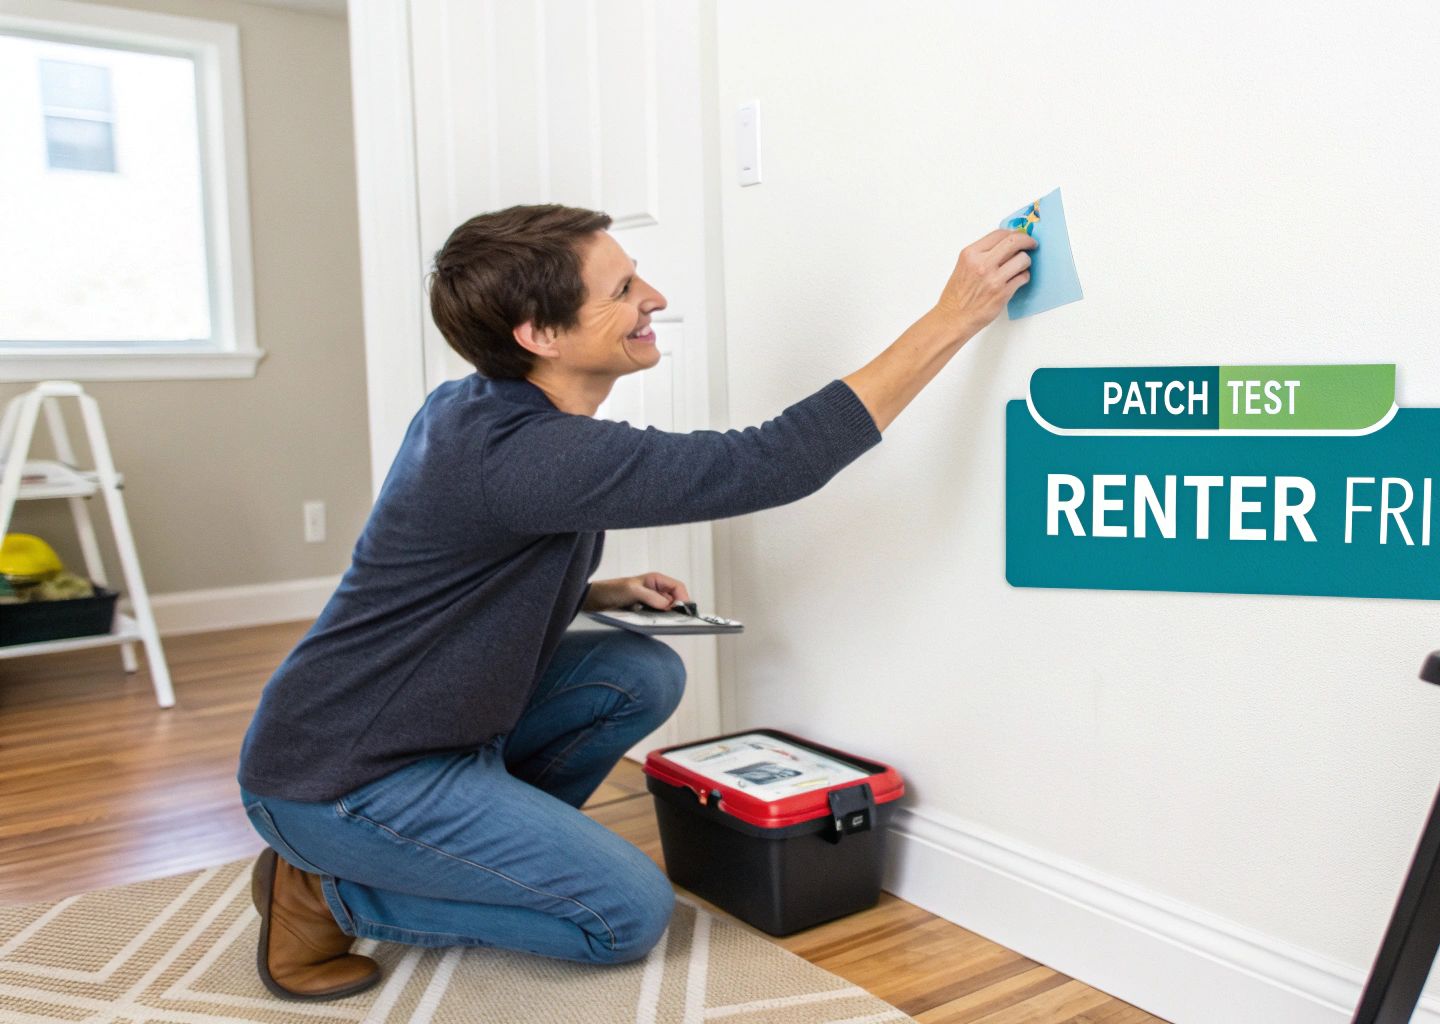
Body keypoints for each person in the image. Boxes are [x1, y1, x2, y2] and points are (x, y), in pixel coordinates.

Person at [235, 203, 1033, 1000]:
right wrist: (952, 316)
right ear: (538, 335)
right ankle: (321, 888)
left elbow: (439, 573)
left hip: (412, 733)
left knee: (636, 672)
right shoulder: (533, 454)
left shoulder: (476, 408)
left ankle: (483, 853)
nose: (652, 296)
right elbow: (773, 464)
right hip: (343, 781)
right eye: (620, 288)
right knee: (622, 915)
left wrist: (593, 591)